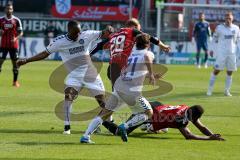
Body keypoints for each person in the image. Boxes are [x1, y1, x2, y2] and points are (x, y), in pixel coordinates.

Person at [17, 20, 113, 135]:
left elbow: (104, 33)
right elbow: (44, 54)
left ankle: (110, 124)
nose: (78, 35)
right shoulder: (60, 41)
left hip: (90, 74)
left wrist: (109, 29)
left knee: (103, 103)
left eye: (79, 32)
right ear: (69, 31)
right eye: (75, 33)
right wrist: (26, 60)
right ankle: (67, 127)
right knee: (68, 97)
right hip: (74, 76)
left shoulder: (86, 35)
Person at [80, 33, 167, 144]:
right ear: (148, 44)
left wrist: (150, 75)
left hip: (119, 87)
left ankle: (86, 136)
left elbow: (133, 71)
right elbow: (147, 57)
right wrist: (150, 74)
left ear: (135, 43)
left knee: (104, 114)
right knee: (148, 113)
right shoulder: (148, 53)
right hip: (132, 92)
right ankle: (124, 126)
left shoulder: (130, 54)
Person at [90, 18, 170, 89]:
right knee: (129, 94)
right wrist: (162, 46)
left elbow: (98, 46)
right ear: (134, 27)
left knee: (118, 95)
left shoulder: (113, 35)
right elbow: (148, 37)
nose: (140, 30)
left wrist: (87, 55)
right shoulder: (131, 31)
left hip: (112, 69)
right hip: (122, 66)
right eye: (139, 28)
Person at [102, 101, 224, 141]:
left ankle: (151, 127)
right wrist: (208, 138)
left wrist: (213, 135)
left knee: (162, 127)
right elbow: (188, 135)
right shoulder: (180, 118)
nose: (197, 121)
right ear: (194, 116)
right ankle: (101, 120)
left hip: (154, 106)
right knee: (120, 132)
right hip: (147, 114)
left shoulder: (187, 108)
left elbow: (201, 127)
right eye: (196, 119)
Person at [207, 12, 240, 96]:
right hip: (221, 53)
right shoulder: (219, 28)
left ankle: (227, 91)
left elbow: (238, 41)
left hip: (232, 54)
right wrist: (211, 49)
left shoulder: (236, 28)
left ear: (232, 18)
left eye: (229, 18)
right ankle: (209, 90)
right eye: (226, 17)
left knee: (230, 72)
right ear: (224, 18)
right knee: (216, 71)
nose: (228, 19)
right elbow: (214, 39)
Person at [0, 3, 23, 87]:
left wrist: (16, 38)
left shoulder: (16, 20)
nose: (9, 10)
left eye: (10, 9)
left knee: (15, 64)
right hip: (3, 45)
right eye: (7, 9)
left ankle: (15, 82)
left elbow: (21, 33)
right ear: (5, 10)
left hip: (14, 46)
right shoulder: (1, 20)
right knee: (0, 62)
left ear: (12, 10)